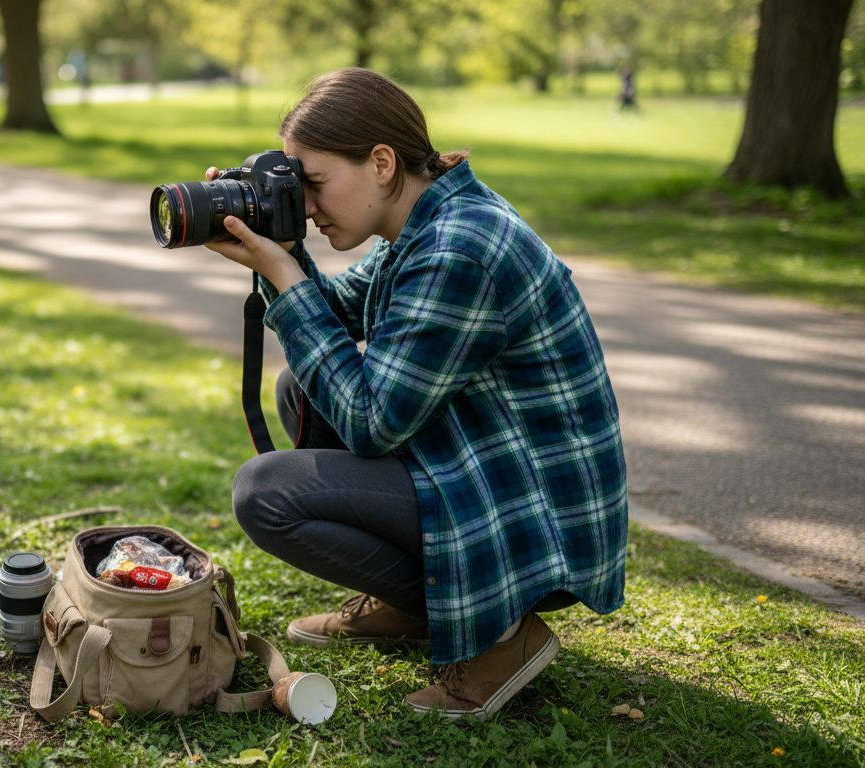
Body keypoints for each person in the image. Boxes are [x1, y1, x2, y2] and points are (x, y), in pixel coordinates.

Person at [207, 68, 628, 721]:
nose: (308, 206)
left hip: (537, 524)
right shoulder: (430, 216)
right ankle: (414, 606)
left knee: (267, 493)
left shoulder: (462, 244)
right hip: (486, 468)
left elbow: (373, 423)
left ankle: (502, 634)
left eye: (312, 185)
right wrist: (276, 248)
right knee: (304, 388)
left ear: (381, 163)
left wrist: (283, 273)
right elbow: (335, 312)